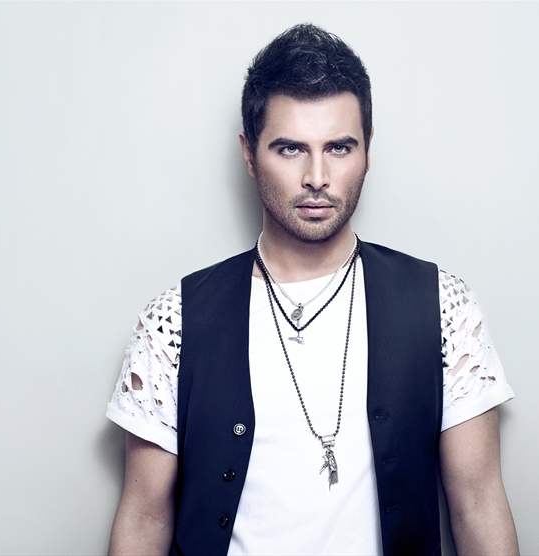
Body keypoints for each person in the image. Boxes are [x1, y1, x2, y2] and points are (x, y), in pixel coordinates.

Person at [105, 23, 519, 556]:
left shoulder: (442, 307)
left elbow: (478, 506)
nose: (317, 176)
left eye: (339, 147)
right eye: (290, 149)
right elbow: (144, 519)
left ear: (368, 149)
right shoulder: (175, 321)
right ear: (249, 154)